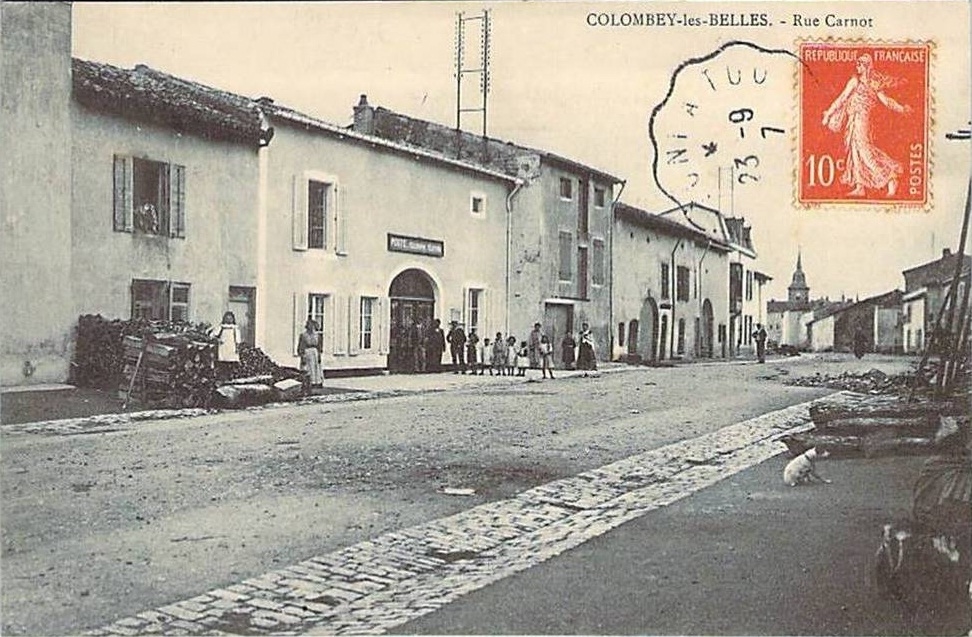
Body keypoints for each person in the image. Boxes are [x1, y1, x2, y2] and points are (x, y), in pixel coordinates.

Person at [822, 53, 912, 198]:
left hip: (862, 119)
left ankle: (890, 178)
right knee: (855, 151)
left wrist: (902, 109)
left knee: (864, 151)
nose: (857, 66)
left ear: (866, 66)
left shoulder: (872, 83)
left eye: (860, 64)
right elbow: (842, 98)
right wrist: (829, 113)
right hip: (853, 119)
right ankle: (860, 186)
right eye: (857, 63)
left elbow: (886, 101)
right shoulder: (854, 81)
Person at [297, 318, 323, 390]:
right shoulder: (303, 335)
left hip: (315, 352)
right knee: (308, 368)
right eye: (309, 326)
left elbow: (319, 346)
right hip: (307, 352)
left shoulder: (317, 336)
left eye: (313, 326)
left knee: (316, 367)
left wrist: (319, 355)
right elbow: (301, 346)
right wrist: (302, 356)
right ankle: (308, 382)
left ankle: (316, 382)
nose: (311, 328)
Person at [216, 311, 241, 380]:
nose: (229, 320)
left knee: (232, 362)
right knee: (223, 363)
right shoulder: (221, 327)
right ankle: (223, 377)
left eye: (230, 318)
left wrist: (237, 347)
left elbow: (237, 339)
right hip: (223, 347)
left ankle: (231, 377)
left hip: (231, 347)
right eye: (227, 318)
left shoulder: (235, 328)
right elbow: (214, 335)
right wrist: (219, 340)